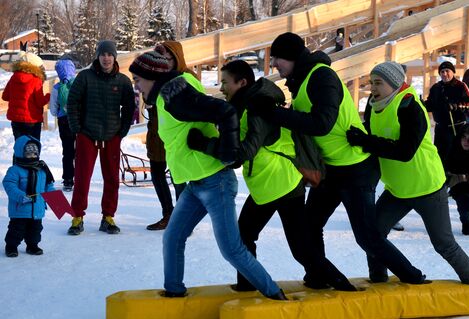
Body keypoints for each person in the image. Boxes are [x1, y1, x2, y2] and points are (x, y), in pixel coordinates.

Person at [256, 32, 426, 285]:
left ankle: (412, 276)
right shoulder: (301, 81)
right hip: (332, 170)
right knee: (310, 225)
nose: (275, 65)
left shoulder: (321, 76)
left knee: (366, 236)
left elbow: (322, 123)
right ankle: (319, 275)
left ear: (291, 57)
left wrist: (275, 115)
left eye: (278, 59)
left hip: (356, 169)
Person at [129, 51, 286, 300]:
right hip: (196, 183)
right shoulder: (172, 91)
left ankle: (275, 295)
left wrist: (228, 152)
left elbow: (225, 112)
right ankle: (174, 293)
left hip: (216, 183)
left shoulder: (174, 96)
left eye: (137, 79)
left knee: (231, 250)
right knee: (172, 237)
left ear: (151, 77)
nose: (136, 86)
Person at [190, 59, 355, 291]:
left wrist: (205, 144)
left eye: (225, 82)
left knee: (297, 247)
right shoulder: (245, 105)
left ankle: (342, 286)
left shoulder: (257, 107)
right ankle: (248, 284)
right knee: (251, 236)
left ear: (242, 82)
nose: (222, 88)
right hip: (267, 183)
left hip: (282, 183)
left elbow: (245, 151)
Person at [346, 61, 469, 286]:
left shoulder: (410, 105)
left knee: (444, 244)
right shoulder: (374, 105)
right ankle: (378, 283)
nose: (373, 88)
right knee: (373, 237)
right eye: (372, 82)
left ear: (394, 83)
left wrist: (366, 141)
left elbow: (405, 151)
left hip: (428, 187)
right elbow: (370, 137)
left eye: (378, 83)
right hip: (398, 189)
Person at [66, 40, 136, 235]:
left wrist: (122, 131)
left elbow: (129, 108)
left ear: (115, 57)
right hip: (87, 134)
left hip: (112, 135)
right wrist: (77, 128)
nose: (106, 58)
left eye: (110, 54)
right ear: (98, 56)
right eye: (103, 54)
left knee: (112, 178)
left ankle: (108, 217)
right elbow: (72, 103)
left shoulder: (122, 81)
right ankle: (77, 216)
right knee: (82, 177)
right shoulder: (85, 77)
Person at [137, 41, 194, 231]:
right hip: (157, 134)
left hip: (179, 136)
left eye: (170, 58)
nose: (167, 63)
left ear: (177, 57)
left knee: (180, 178)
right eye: (163, 59)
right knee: (157, 174)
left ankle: (183, 218)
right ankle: (168, 214)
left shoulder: (187, 77)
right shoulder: (156, 77)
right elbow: (147, 97)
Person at [3, 135, 55, 257]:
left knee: (35, 230)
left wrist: (54, 197)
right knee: (16, 230)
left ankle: (32, 245)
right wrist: (21, 196)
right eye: (29, 154)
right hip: (20, 208)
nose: (32, 156)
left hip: (37, 208)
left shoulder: (42, 169)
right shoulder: (15, 170)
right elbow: (9, 185)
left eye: (34, 154)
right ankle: (11, 246)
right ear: (21, 153)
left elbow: (48, 185)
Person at [424, 61, 469, 167]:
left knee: (455, 155)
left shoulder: (460, 86)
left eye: (447, 71)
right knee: (439, 156)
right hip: (440, 128)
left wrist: (456, 106)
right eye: (442, 72)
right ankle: (442, 180)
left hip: (456, 127)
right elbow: (431, 104)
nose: (444, 74)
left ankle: (455, 179)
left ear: (453, 72)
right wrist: (422, 105)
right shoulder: (436, 88)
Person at [2, 52, 50, 141]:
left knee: (19, 146)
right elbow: (40, 102)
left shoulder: (14, 77)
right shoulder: (36, 80)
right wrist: (48, 96)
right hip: (32, 120)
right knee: (32, 147)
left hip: (16, 119)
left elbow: (5, 96)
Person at [49, 58, 77, 192]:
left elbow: (53, 110)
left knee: (67, 151)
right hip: (79, 121)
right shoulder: (79, 84)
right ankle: (81, 177)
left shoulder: (56, 88)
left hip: (64, 122)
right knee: (81, 151)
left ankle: (68, 180)